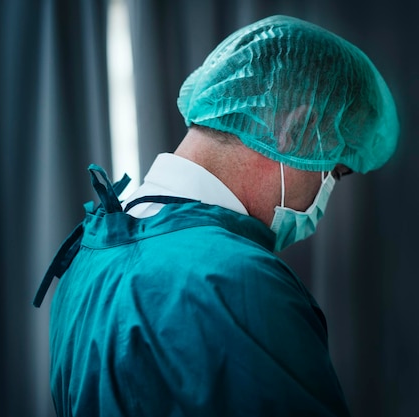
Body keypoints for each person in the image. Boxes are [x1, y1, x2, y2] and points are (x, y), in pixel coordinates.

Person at [34, 15, 399, 416]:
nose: (325, 197)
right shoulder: (240, 283)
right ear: (297, 130)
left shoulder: (84, 259)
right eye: (334, 172)